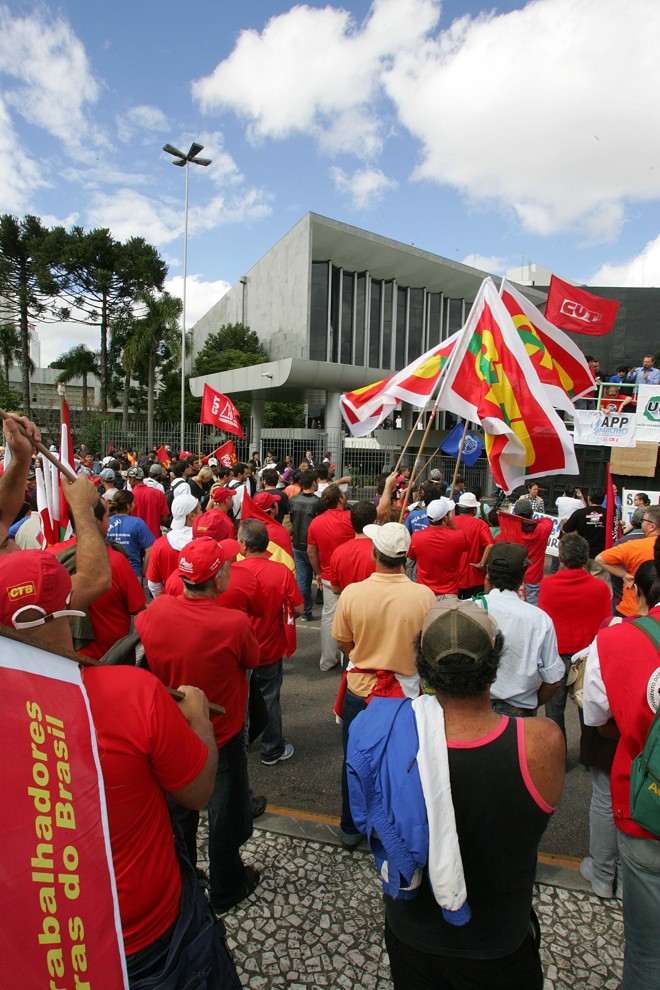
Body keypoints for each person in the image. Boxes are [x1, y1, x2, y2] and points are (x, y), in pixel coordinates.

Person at [0, 551, 230, 985]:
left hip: (42, 949)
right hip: (150, 942)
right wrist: (198, 719)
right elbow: (197, 792)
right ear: (69, 608)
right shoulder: (132, 692)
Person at [347, 597, 565, 990]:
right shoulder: (541, 743)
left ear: (424, 665)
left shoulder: (381, 733)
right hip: (499, 940)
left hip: (413, 935)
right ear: (495, 662)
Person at [136, 537, 262, 914]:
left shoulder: (155, 611)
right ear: (219, 579)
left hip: (173, 732)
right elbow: (253, 659)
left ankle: (187, 883)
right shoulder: (233, 622)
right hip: (220, 736)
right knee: (225, 816)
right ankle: (226, 887)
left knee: (180, 816)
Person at [332, 522, 435, 849]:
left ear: (375, 553)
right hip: (405, 696)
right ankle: (394, 830)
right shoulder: (425, 596)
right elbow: (427, 649)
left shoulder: (353, 593)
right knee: (401, 767)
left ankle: (351, 826)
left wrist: (366, 657)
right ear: (405, 557)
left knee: (354, 760)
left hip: (360, 691)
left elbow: (343, 642)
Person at [583, 550, 660, 990]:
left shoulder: (616, 640)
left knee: (647, 952)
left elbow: (594, 714)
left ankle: (603, 874)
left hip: (644, 803)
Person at [235, 519, 304, 765]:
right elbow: (298, 608)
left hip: (238, 650)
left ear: (244, 544)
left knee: (237, 698)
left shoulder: (233, 572)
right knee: (269, 698)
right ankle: (272, 748)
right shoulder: (281, 572)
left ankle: (240, 743)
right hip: (269, 646)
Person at [538, 533, 612, 740]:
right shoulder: (599, 588)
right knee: (587, 707)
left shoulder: (547, 586)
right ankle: (588, 753)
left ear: (560, 557)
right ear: (586, 556)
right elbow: (605, 623)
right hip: (587, 655)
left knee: (554, 711)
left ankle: (558, 754)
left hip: (556, 654)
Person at [477, 543, 564, 717]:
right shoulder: (539, 619)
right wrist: (532, 705)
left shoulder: (471, 608)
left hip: (476, 710)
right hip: (519, 712)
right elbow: (554, 681)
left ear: (488, 573)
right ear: (522, 578)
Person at [307, 484, 354, 671]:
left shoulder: (316, 523)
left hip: (327, 576)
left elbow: (311, 552)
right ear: (340, 499)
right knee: (354, 618)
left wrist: (318, 572)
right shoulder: (351, 519)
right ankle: (350, 660)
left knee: (329, 617)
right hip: (352, 576)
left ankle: (327, 659)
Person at [595, 504, 660, 616]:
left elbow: (600, 559)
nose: (642, 522)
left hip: (632, 609)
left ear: (652, 526)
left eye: (644, 520)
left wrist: (624, 575)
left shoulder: (633, 546)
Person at [408, 497, 468, 597]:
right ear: (446, 517)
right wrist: (452, 525)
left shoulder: (417, 537)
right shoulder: (458, 536)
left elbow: (411, 557)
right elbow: (466, 546)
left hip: (424, 593)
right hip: (449, 593)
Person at [146, 494, 200, 598]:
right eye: (200, 510)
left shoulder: (159, 544)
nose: (202, 513)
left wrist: (165, 601)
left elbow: (153, 584)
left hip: (170, 603)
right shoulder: (205, 543)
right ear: (191, 516)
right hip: (200, 604)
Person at [289, 470, 323, 621]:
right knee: (321, 575)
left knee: (303, 581)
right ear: (314, 482)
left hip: (297, 544)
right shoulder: (318, 502)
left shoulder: (294, 500)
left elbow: (292, 519)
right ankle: (321, 604)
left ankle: (306, 612)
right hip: (313, 545)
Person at [508, 499, 554, 605]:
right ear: (532, 513)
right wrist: (532, 523)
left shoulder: (512, 531)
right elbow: (547, 520)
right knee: (532, 608)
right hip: (534, 578)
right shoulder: (543, 529)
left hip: (514, 577)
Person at [329, 500, 377, 594]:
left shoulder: (338, 552)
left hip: (348, 605)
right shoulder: (379, 553)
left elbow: (335, 589)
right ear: (374, 522)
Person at [107, 490, 155, 582]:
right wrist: (144, 571)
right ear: (128, 506)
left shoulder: (107, 522)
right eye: (133, 503)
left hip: (111, 573)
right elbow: (150, 549)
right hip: (133, 572)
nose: (134, 505)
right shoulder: (137, 523)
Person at [453, 492, 494, 599]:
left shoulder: (450, 522)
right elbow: (490, 545)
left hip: (452, 577)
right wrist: (481, 564)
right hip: (474, 577)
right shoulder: (480, 524)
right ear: (475, 510)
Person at [563, 487, 608, 577]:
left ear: (589, 498)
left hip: (582, 555)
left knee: (581, 583)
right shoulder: (609, 515)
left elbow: (566, 529)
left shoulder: (579, 513)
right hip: (601, 556)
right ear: (603, 499)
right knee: (598, 586)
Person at [128, 466, 170, 539]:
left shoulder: (129, 496)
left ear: (133, 479)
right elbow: (165, 518)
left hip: (136, 539)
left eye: (128, 479)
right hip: (154, 538)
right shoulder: (158, 493)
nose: (128, 482)